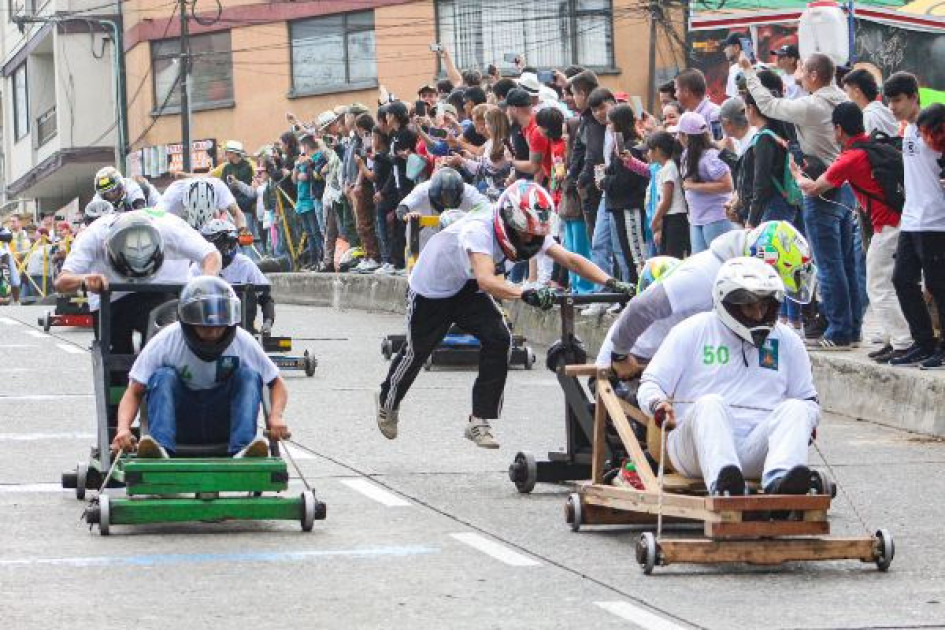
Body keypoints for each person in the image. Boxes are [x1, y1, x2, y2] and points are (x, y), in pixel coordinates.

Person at [376, 180, 634, 448]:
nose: (529, 241)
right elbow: (488, 280)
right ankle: (388, 400)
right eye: (524, 235)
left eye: (534, 235)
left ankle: (479, 418)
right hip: (432, 289)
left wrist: (612, 282)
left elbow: (569, 259)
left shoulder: (530, 229)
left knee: (499, 338)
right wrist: (525, 292)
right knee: (416, 351)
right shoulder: (479, 231)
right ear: (509, 221)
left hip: (466, 286)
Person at [637, 257, 821, 495]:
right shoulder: (692, 330)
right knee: (711, 403)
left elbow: (809, 401)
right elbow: (651, 383)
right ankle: (724, 486)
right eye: (749, 306)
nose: (757, 315)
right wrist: (658, 404)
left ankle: (780, 483)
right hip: (693, 447)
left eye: (764, 306)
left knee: (797, 407)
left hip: (755, 448)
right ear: (728, 303)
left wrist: (805, 421)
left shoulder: (787, 340)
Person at [741, 51, 865, 350]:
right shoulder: (840, 99)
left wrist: (748, 72)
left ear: (812, 76)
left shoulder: (812, 106)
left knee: (828, 264)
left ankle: (837, 331)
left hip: (820, 187)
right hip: (844, 186)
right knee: (847, 262)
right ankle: (852, 327)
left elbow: (769, 104)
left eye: (801, 68)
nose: (796, 71)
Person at [606, 221, 814, 377]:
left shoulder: (733, 272)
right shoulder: (704, 275)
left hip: (683, 358)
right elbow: (642, 307)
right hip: (637, 358)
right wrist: (620, 355)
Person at [110, 276, 289, 459]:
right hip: (180, 424)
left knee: (249, 376)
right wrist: (123, 429)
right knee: (163, 376)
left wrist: (275, 416)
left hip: (223, 424)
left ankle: (242, 447)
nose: (213, 332)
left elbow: (276, 383)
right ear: (188, 321)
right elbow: (134, 391)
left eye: (219, 326)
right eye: (204, 327)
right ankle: (161, 448)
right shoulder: (166, 341)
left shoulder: (242, 341)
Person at [792, 101, 913, 363]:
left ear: (838, 129)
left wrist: (796, 175)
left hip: (887, 226)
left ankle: (903, 342)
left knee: (877, 285)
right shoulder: (872, 146)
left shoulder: (850, 158)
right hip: (900, 221)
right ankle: (895, 339)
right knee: (888, 283)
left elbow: (814, 188)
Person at [55, 210, 221, 354]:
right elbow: (62, 282)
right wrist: (84, 279)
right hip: (112, 296)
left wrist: (205, 283)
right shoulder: (93, 236)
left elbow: (212, 256)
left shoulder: (172, 229)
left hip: (162, 289)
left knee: (169, 341)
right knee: (113, 353)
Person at [884, 73, 945, 368]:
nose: (892, 107)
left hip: (935, 220)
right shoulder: (907, 130)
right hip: (911, 220)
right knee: (901, 280)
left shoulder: (934, 128)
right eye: (890, 101)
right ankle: (923, 343)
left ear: (913, 97)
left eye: (897, 100)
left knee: (938, 284)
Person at [195, 219, 274, 334]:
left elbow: (266, 298)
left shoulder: (245, 264)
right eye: (219, 245)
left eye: (227, 244)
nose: (224, 248)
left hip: (242, 329)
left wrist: (268, 322)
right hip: (205, 330)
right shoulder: (197, 267)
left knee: (249, 290)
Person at [673, 112, 734, 253]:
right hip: (696, 219)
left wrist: (693, 186)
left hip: (716, 217)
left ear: (687, 136)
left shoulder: (711, 155)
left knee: (718, 260)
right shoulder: (686, 154)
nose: (678, 138)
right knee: (700, 263)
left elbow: (727, 185)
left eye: (680, 134)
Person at [647, 131, 689, 258]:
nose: (647, 153)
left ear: (658, 150)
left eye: (650, 150)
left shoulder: (669, 168)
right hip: (669, 218)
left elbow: (666, 200)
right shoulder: (664, 168)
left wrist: (655, 221)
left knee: (673, 257)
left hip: (675, 217)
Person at [158, 177, 246, 230]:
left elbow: (237, 213)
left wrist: (242, 230)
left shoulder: (219, 187)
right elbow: (156, 217)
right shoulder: (174, 192)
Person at [841, 69, 898, 137]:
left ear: (857, 92)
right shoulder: (885, 110)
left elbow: (873, 146)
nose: (845, 95)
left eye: (846, 91)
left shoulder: (868, 116)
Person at [675, 69, 722, 140]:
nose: (675, 95)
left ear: (686, 91)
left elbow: (719, 143)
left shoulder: (714, 113)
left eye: (676, 89)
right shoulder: (686, 115)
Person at [0, 227, 21, 304]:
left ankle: (16, 302)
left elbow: (9, 237)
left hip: (6, 257)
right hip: (2, 256)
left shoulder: (3, 229)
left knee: (14, 281)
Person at [722, 33, 746, 98]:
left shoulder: (758, 68)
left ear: (736, 48)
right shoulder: (732, 69)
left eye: (726, 46)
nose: (724, 50)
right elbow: (732, 98)